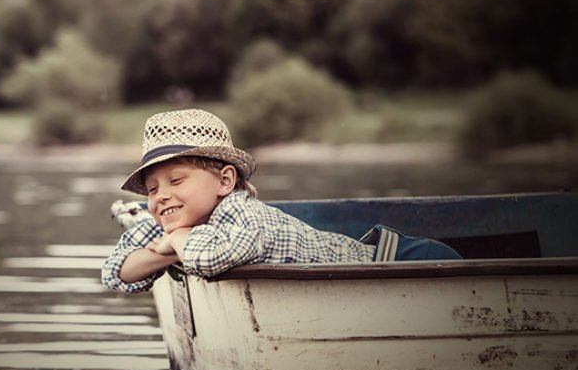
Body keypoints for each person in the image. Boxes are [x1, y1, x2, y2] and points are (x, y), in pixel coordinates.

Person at [101, 108, 461, 293]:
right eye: (151, 189)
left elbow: (215, 256)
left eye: (176, 181)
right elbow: (115, 272)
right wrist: (161, 250)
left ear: (225, 181)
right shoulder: (178, 222)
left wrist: (176, 241)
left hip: (401, 261)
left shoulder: (242, 214)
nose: (161, 195)